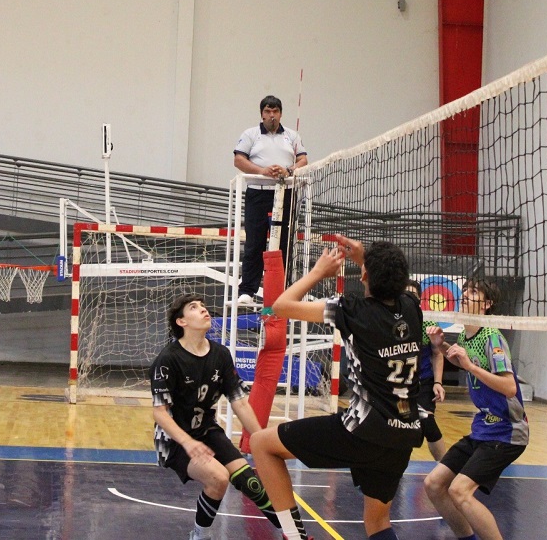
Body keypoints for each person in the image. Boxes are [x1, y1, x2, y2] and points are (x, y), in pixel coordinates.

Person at [251, 236, 424, 540]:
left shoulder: (351, 309)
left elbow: (280, 306)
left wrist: (319, 271)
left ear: (365, 276)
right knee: (378, 522)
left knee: (261, 444)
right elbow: (388, 279)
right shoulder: (411, 308)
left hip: (361, 430)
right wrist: (365, 260)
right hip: (402, 434)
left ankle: (294, 536)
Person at [151, 294, 287, 540]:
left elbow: (240, 402)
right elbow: (159, 413)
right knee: (218, 478)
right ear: (182, 322)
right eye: (194, 307)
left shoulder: (221, 355)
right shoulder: (168, 359)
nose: (203, 310)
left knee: (250, 482)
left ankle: (293, 532)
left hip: (206, 429)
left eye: (203, 306)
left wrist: (260, 440)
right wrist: (188, 443)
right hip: (174, 439)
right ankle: (199, 535)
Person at [424, 278, 528, 540]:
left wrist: (470, 367)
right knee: (434, 484)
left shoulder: (492, 337)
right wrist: (440, 345)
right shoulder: (465, 335)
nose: (465, 295)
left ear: (487, 304)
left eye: (473, 292)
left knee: (460, 491)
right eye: (465, 290)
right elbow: (465, 361)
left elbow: (509, 387)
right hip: (483, 428)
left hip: (507, 431)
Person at [233, 95, 307, 305]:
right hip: (258, 193)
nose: (271, 115)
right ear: (262, 114)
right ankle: (247, 290)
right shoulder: (250, 134)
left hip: (285, 194)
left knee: (283, 244)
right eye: (267, 111)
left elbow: (303, 160)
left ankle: (281, 290)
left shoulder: (292, 136)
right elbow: (238, 160)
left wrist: (288, 170)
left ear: (280, 114)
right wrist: (262, 171)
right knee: (254, 243)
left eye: (275, 111)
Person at [405, 279, 448, 461]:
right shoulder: (391, 320)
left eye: (413, 295)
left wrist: (438, 382)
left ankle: (445, 466)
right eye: (405, 294)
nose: (409, 298)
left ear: (420, 299)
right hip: (399, 383)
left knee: (427, 423)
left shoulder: (427, 323)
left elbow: (437, 354)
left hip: (423, 382)